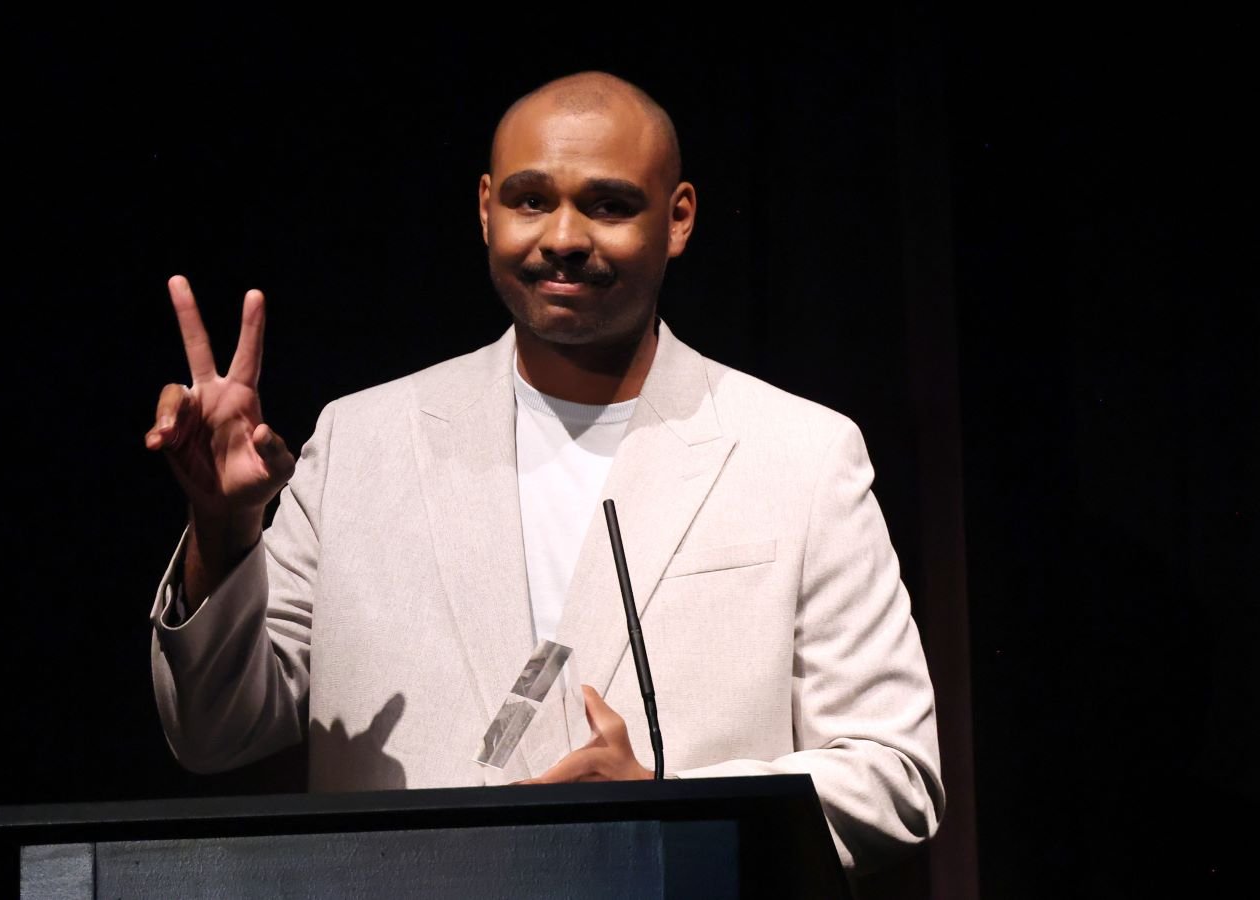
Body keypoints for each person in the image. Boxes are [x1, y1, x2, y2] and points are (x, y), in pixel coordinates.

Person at [145, 71, 943, 871]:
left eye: (608, 204)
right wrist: (221, 526)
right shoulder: (361, 441)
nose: (562, 236)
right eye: (531, 201)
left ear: (678, 218)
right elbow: (216, 732)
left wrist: (672, 803)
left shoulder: (798, 453)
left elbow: (894, 772)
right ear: (485, 207)